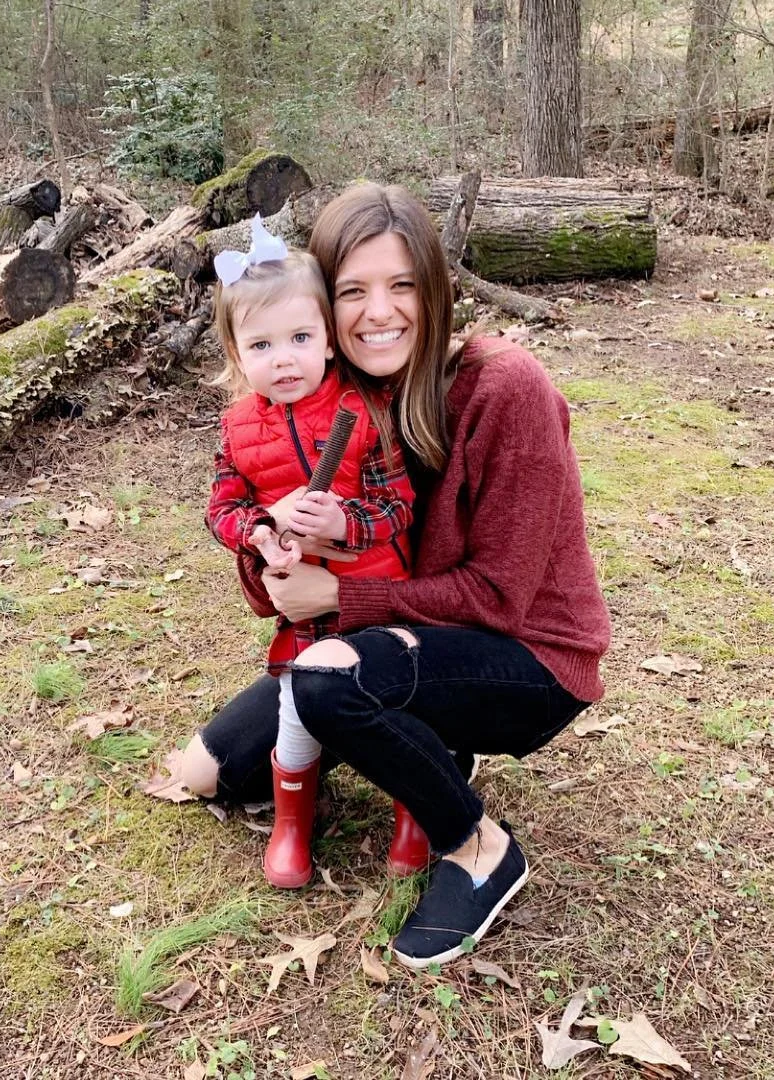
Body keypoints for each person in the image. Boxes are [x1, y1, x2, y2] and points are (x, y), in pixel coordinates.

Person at [181, 184, 610, 969]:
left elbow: (499, 597)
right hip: (390, 635)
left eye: (404, 285)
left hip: (527, 657)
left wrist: (342, 595)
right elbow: (270, 580)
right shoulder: (343, 399)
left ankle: (477, 847)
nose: (380, 312)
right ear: (326, 307)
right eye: (354, 291)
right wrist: (269, 553)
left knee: (325, 682)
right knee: (210, 772)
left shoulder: (506, 388)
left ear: (438, 289)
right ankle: (421, 727)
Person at [204, 214, 419, 889]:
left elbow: (398, 506)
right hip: (303, 613)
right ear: (238, 357)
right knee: (298, 709)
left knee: (398, 708)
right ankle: (294, 822)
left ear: (329, 340)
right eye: (262, 345)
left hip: (376, 599)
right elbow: (221, 508)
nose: (284, 358)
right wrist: (262, 527)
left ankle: (413, 810)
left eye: (300, 338)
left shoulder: (363, 413)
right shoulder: (238, 429)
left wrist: (344, 521)